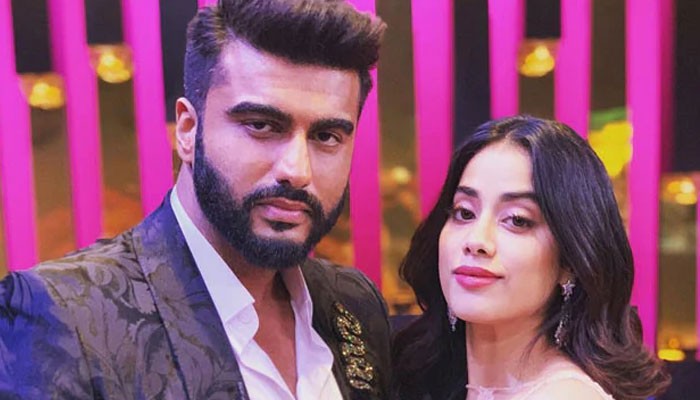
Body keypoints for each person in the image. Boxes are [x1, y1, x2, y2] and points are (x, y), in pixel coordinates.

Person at [0, 1, 389, 399]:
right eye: (261, 125)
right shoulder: (64, 313)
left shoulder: (352, 302)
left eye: (326, 137)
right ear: (187, 130)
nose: (297, 170)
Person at [391, 116, 670, 400]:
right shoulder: (429, 378)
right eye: (464, 213)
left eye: (517, 220)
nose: (476, 240)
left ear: (570, 262)